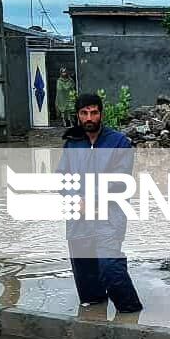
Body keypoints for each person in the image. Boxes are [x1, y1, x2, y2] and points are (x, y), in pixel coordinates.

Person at [57, 93, 143, 313]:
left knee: (109, 265)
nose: (89, 117)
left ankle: (130, 312)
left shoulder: (119, 143)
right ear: (77, 116)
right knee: (86, 277)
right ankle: (94, 317)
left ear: (101, 114)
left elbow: (122, 180)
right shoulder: (72, 143)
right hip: (78, 217)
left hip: (110, 215)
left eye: (94, 112)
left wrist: (93, 199)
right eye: (84, 113)